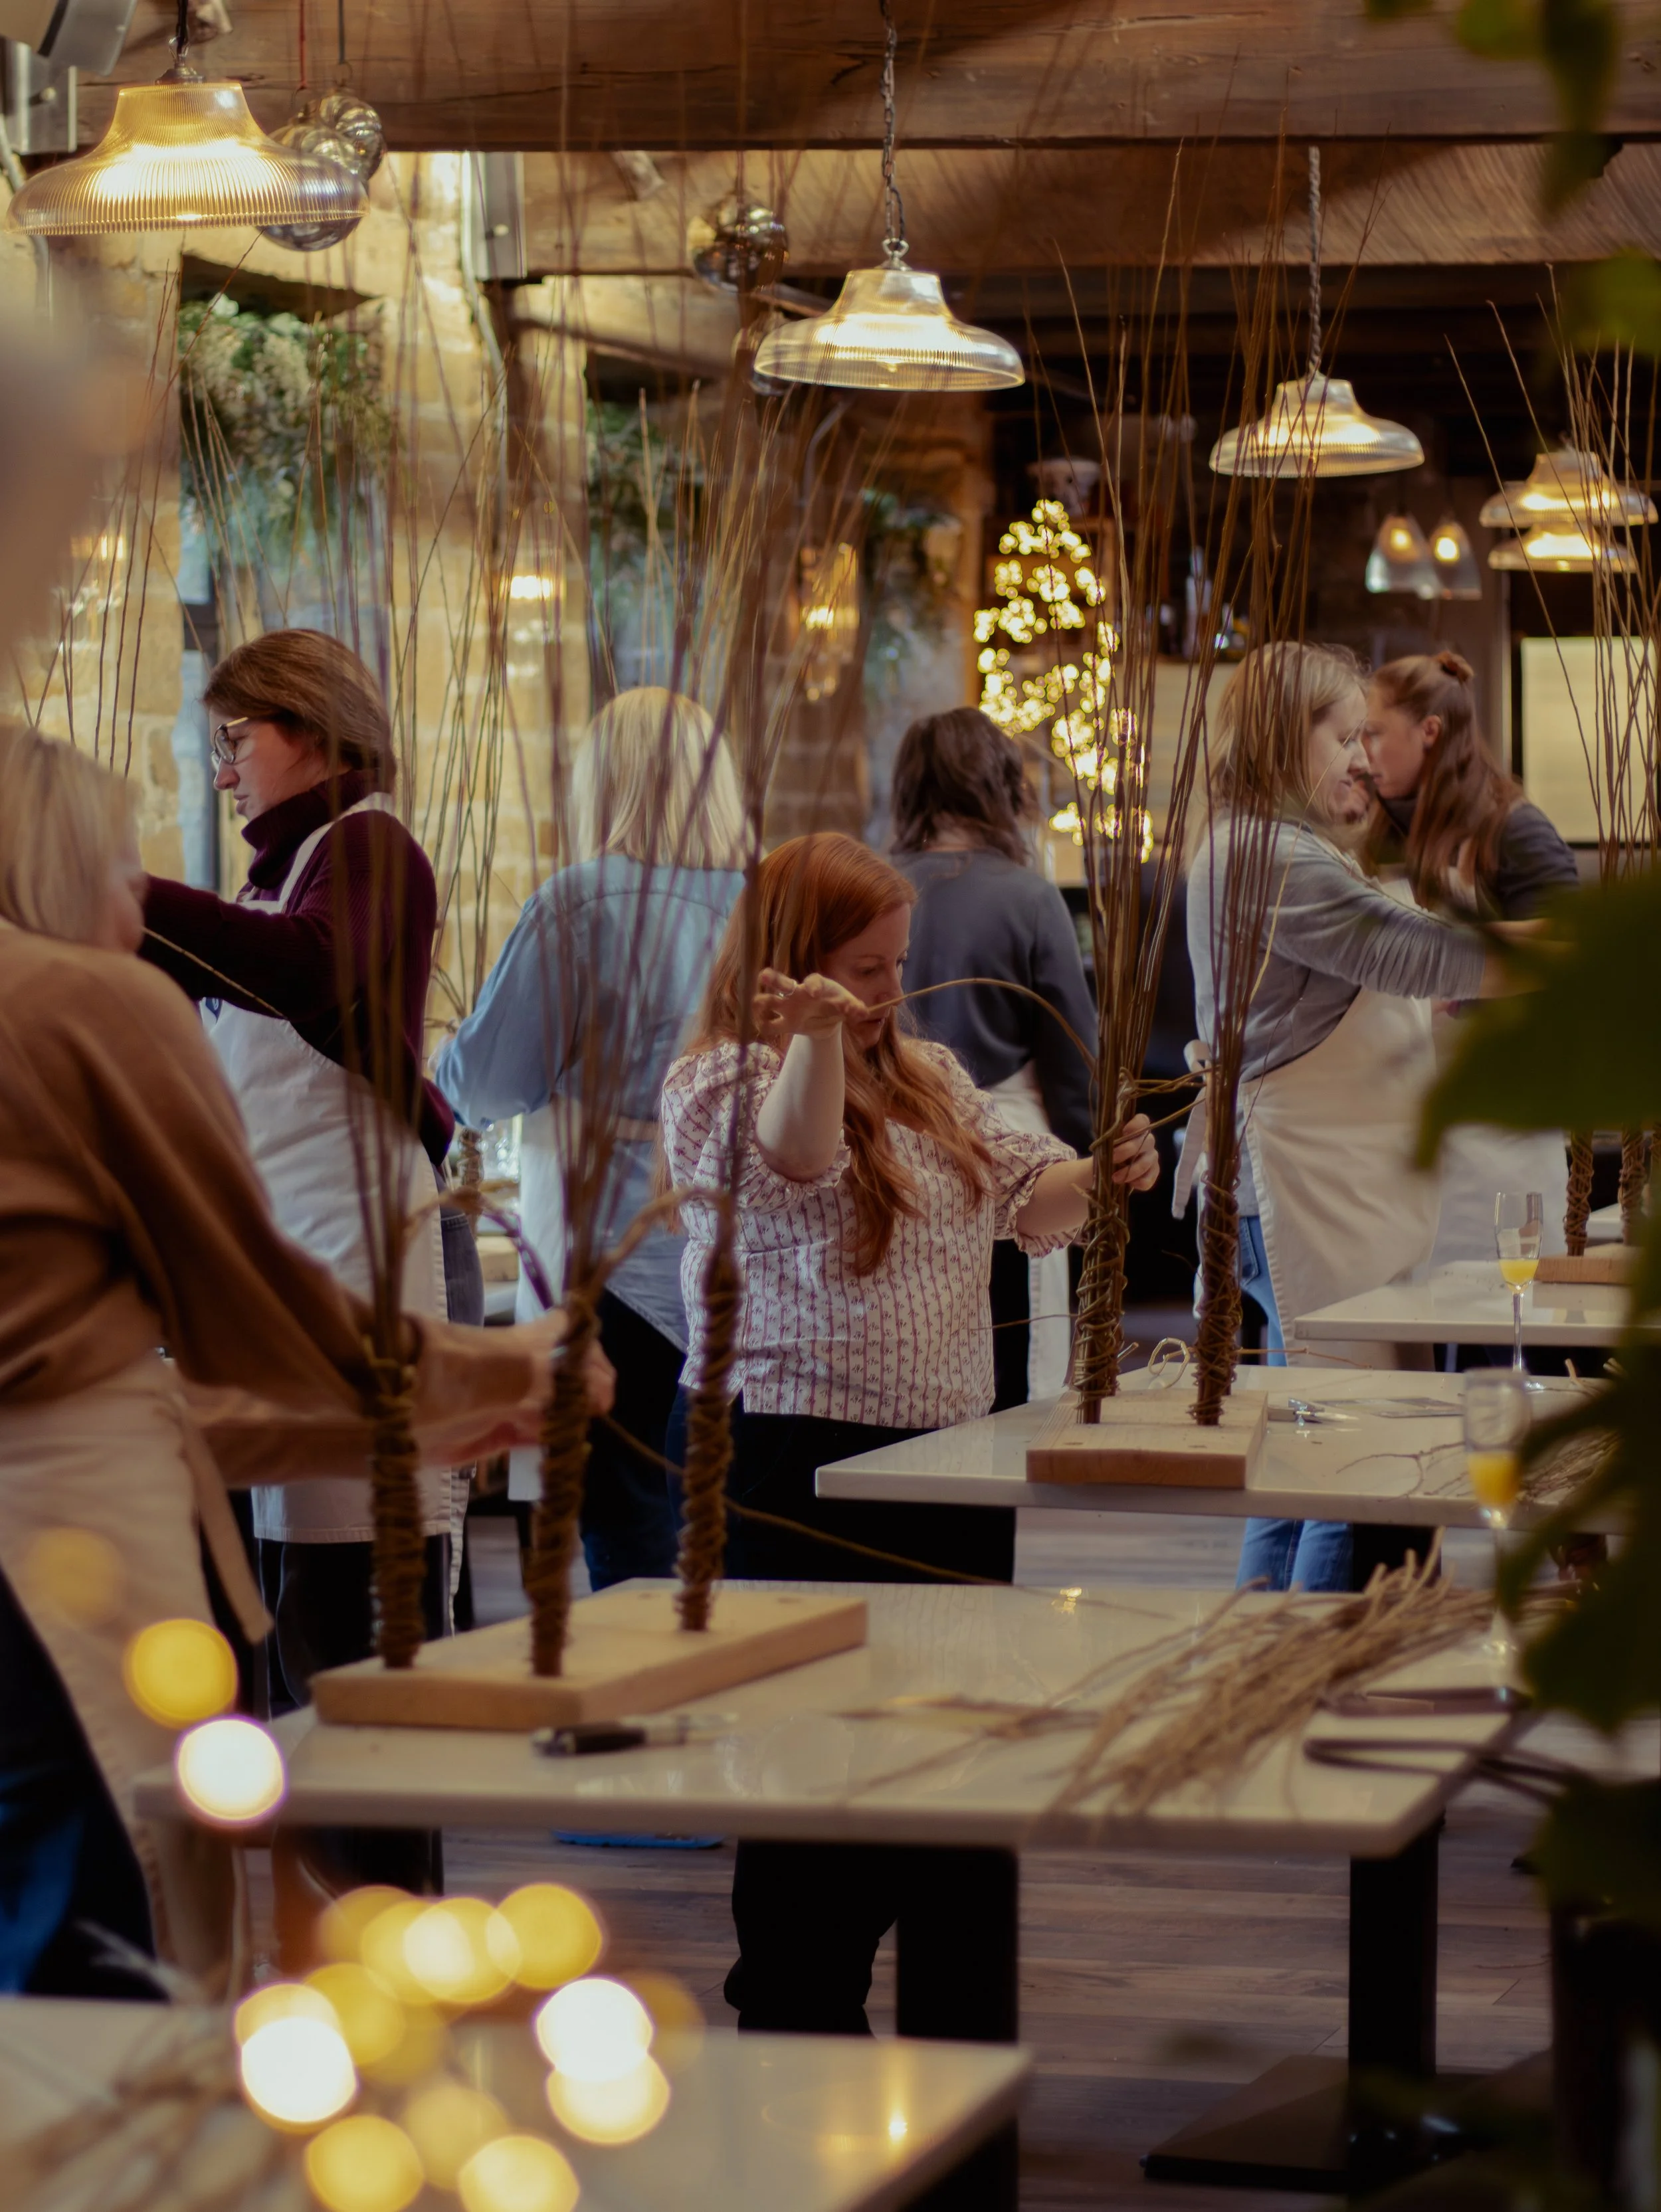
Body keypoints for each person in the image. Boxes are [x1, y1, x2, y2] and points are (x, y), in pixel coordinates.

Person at [0, 725, 607, 1998]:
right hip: (64, 1568)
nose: (148, 901)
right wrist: (505, 1370)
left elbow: (122, 1385)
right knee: (118, 1964)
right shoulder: (85, 1003)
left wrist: (391, 1424)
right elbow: (249, 1317)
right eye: (126, 867)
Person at [660, 831, 1158, 2035]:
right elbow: (797, 1160)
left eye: (899, 962)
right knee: (815, 1773)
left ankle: (961, 2060)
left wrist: (1105, 1173)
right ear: (794, 962)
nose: (895, 988)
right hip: (793, 1466)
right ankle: (796, 2040)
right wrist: (816, 1038)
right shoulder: (718, 1084)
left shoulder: (928, 1068)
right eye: (868, 968)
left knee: (957, 1767)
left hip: (946, 1466)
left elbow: (1024, 1189)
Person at [139, 628, 464, 1899]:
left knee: (356, 1650)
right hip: (275, 1294)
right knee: (282, 1642)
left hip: (358, 1275)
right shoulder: (270, 889)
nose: (223, 769)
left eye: (236, 738)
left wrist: (133, 897)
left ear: (315, 733)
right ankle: (323, 1933)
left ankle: (391, 1931)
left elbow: (313, 976)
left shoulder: (370, 848)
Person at [1180, 643, 1513, 1594]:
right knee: (1358, 1470)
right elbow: (1425, 955)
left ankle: (1262, 1668)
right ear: (1282, 741)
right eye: (1344, 737)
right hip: (1303, 1193)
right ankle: (1326, 1669)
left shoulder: (1271, 847)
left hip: (1319, 1193)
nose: (1364, 759)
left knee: (1303, 1464)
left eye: (1368, 737)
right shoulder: (1270, 855)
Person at [435, 689, 745, 1588]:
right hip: (747, 1236)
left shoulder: (581, 903)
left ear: (602, 782)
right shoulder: (768, 900)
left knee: (626, 1506)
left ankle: (654, 1667)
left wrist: (448, 1052)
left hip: (613, 1237)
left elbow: (487, 1084)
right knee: (725, 1506)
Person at [889, 706, 1097, 1406]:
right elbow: (1073, 1064)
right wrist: (1094, 1175)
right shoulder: (1030, 897)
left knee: (912, 1369)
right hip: (1004, 1162)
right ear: (1000, 785)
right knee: (1007, 1384)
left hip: (887, 1160)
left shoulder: (872, 886)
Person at [1362, 648, 1579, 1270]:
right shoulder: (1378, 832)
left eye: (1374, 732)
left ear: (1429, 731)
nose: (1363, 753)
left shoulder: (1514, 829)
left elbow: (1574, 952)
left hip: (1503, 1127)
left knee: (1501, 1300)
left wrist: (1446, 963)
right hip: (1409, 1125)